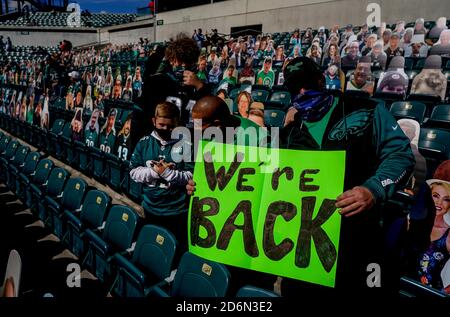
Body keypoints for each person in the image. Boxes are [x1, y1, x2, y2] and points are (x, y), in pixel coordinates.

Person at [280, 57, 415, 294]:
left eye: (306, 82)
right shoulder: (291, 128)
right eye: (294, 87)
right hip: (303, 249)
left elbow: (400, 155)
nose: (301, 91)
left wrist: (373, 188)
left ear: (321, 79)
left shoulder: (368, 109)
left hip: (356, 240)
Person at [130, 102, 193, 251]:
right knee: (153, 248)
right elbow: (133, 171)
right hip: (151, 207)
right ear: (154, 121)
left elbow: (191, 175)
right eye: (162, 125)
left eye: (170, 126)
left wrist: (168, 173)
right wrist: (154, 172)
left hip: (176, 211)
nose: (166, 129)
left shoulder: (186, 145)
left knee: (174, 250)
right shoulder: (144, 143)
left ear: (177, 123)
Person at [419, 161, 450, 294]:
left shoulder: (448, 234)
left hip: (428, 294)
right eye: (435, 196)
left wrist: (443, 293)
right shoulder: (410, 222)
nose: (439, 203)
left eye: (446, 199)